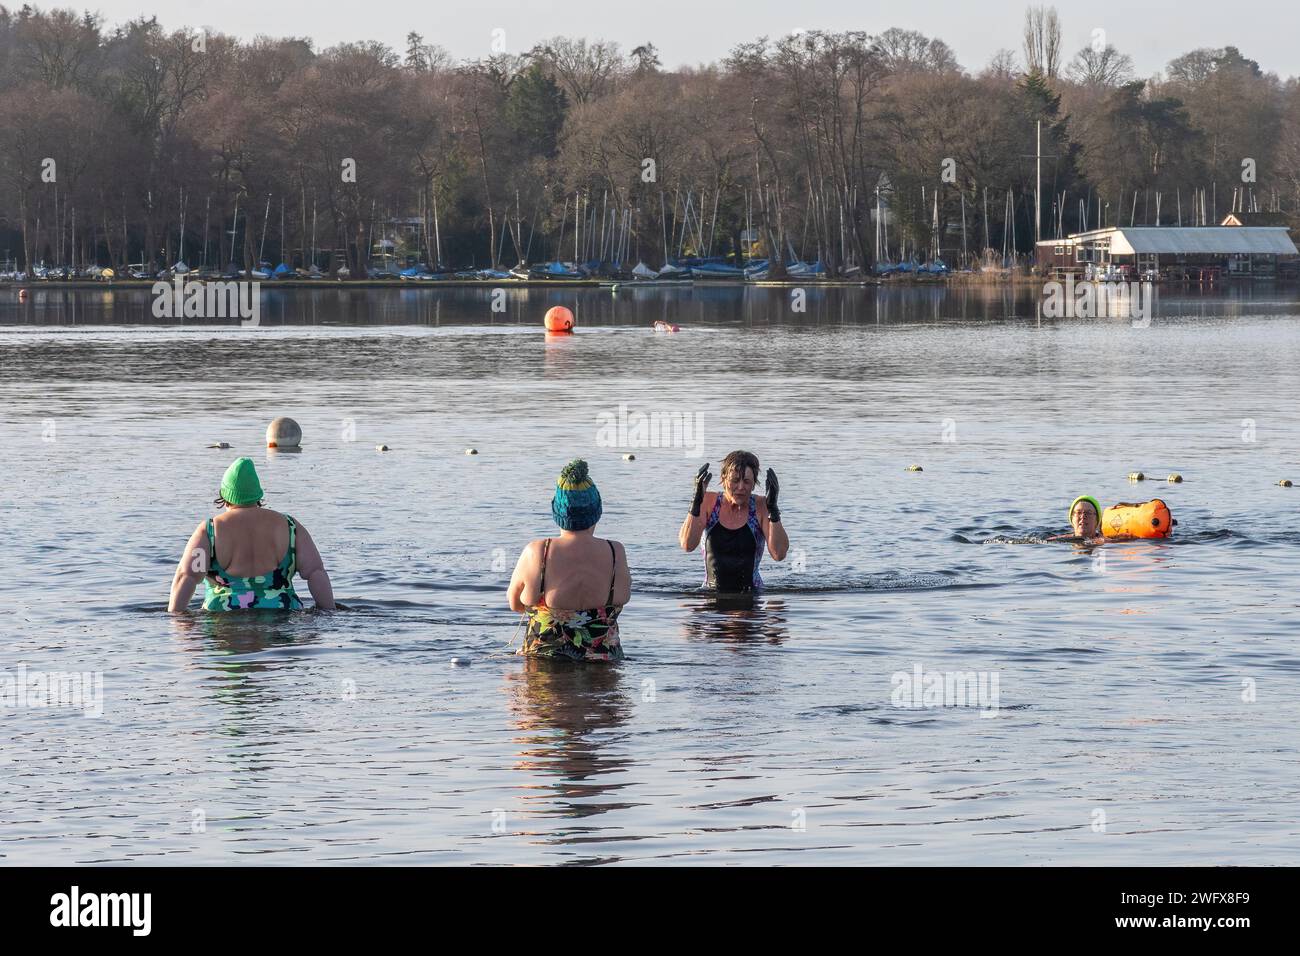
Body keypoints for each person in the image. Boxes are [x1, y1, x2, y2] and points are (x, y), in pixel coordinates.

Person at [168, 457, 335, 611]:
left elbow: (188, 576)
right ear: (258, 494)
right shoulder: (290, 526)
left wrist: (175, 619)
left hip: (223, 618)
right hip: (282, 613)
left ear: (225, 495)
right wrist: (329, 611)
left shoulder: (210, 530)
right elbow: (315, 572)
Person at [507, 459, 631, 661]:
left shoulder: (538, 551)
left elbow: (515, 603)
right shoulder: (615, 552)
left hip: (545, 667)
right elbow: (623, 596)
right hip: (604, 670)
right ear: (597, 511)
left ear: (557, 511)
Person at [678, 450, 788, 593]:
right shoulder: (708, 502)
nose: (741, 487)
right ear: (724, 480)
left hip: (751, 597)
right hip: (711, 596)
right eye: (735, 480)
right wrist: (695, 503)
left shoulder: (761, 506)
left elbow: (779, 554)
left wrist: (773, 509)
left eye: (747, 481)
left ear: (754, 484)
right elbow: (687, 545)